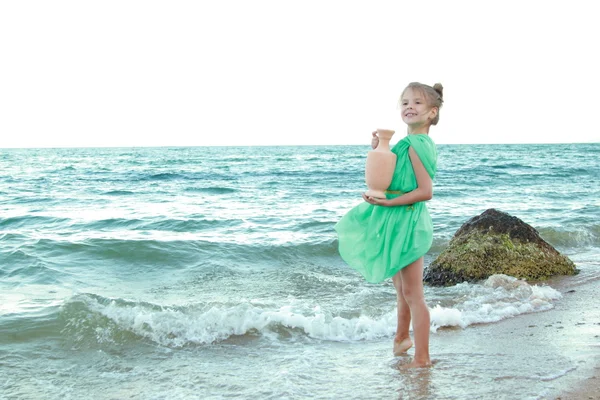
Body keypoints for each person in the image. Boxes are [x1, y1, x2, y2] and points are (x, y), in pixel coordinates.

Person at [334, 82, 442, 368]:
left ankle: (422, 358)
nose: (409, 106)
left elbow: (425, 191)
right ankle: (400, 339)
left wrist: (389, 203)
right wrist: (378, 147)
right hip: (397, 219)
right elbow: (391, 178)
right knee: (401, 288)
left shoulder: (418, 144)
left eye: (417, 103)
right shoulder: (405, 143)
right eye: (405, 102)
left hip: (407, 219)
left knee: (413, 294)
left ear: (432, 113)